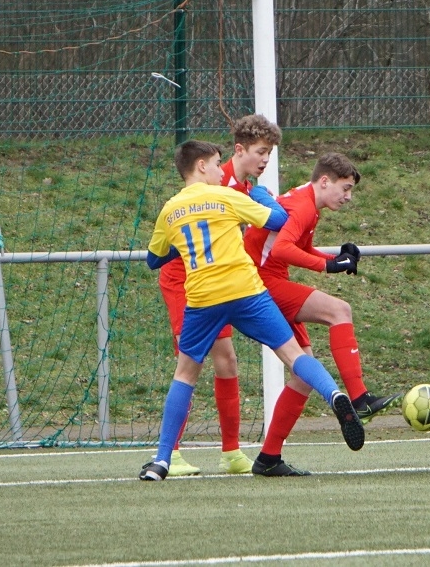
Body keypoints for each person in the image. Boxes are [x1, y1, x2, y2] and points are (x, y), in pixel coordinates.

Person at [140, 140, 364, 481]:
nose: (221, 171)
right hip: (246, 291)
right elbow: (278, 219)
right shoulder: (226, 197)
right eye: (217, 163)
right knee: (293, 354)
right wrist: (261, 196)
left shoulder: (170, 210)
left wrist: (183, 243)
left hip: (203, 298)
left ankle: (161, 461)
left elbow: (153, 260)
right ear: (201, 166)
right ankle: (333, 393)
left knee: (185, 374)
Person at [243, 152, 403, 476]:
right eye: (345, 188)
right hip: (260, 283)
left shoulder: (307, 202)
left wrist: (336, 258)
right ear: (325, 181)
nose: (348, 197)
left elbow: (295, 247)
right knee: (339, 310)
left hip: (264, 280)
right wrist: (328, 266)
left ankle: (268, 458)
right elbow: (282, 249)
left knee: (303, 376)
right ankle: (359, 398)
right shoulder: (304, 206)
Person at [156, 114, 281, 477]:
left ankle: (231, 452)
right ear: (240, 151)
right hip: (184, 279)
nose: (265, 160)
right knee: (189, 364)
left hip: (219, 284)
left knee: (227, 361)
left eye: (269, 153)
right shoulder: (215, 179)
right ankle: (170, 453)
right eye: (261, 152)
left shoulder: (245, 189)